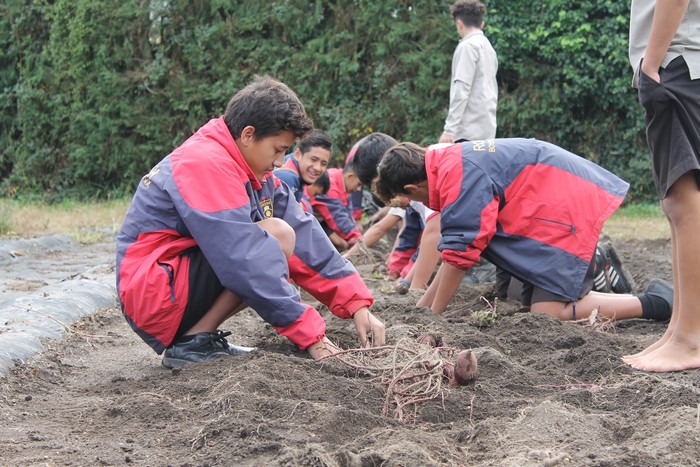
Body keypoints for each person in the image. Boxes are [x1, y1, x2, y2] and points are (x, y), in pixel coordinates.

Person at [116, 76, 385, 368]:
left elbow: (305, 233)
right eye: (278, 150)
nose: (281, 162)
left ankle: (195, 337)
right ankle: (194, 341)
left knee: (283, 232)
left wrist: (357, 302)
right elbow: (243, 259)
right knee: (274, 236)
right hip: (154, 293)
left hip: (172, 280)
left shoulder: (253, 172)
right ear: (247, 135)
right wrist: (311, 335)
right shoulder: (205, 163)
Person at [373, 139, 673, 323]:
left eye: (410, 199)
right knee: (515, 296)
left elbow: (458, 256)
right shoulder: (447, 163)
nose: (416, 204)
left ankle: (655, 303)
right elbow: (456, 248)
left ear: (412, 188)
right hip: (541, 210)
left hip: (559, 210)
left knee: (547, 314)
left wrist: (431, 316)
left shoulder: (459, 177)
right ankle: (595, 264)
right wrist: (423, 308)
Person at [625, 0, 700, 372]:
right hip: (681, 61)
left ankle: (690, 338)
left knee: (684, 203)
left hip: (676, 63)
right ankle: (679, 331)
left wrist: (651, 63)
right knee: (678, 205)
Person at [438, 0, 498, 144]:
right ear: (481, 24)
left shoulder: (467, 46)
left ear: (459, 23)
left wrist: (449, 130)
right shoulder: (488, 47)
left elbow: (462, 89)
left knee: (466, 167)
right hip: (488, 131)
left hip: (468, 134)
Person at [310, 163, 364, 251]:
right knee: (340, 243)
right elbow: (337, 217)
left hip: (320, 221)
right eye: (358, 184)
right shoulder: (331, 185)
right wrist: (357, 238)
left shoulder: (342, 182)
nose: (358, 189)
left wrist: (356, 233)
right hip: (312, 222)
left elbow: (347, 213)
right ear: (350, 176)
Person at [274, 129, 331, 203]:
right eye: (313, 159)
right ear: (297, 154)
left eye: (323, 164)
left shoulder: (294, 168)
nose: (318, 168)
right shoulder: (288, 177)